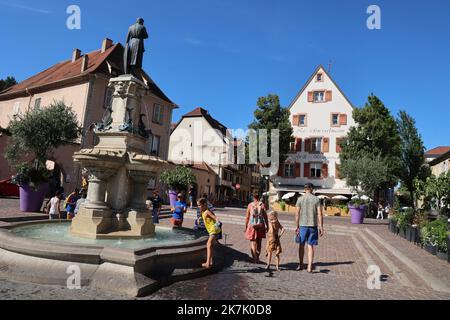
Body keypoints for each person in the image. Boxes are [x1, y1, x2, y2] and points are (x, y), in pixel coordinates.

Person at [295, 183, 324, 273]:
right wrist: (321, 227)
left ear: (305, 189)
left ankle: (300, 264)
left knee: (301, 245)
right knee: (310, 246)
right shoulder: (316, 199)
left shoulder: (300, 199)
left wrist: (297, 226)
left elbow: (297, 214)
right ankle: (309, 266)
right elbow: (320, 214)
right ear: (311, 189)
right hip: (313, 226)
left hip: (302, 225)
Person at [245, 193, 268, 264]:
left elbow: (247, 217)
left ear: (253, 197)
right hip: (260, 225)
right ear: (259, 197)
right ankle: (257, 258)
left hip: (252, 225)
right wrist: (267, 225)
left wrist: (246, 226)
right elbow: (265, 217)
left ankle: (254, 258)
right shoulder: (262, 205)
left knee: (253, 242)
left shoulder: (250, 205)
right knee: (259, 242)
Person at [198, 198, 221, 268]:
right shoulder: (203, 212)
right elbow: (203, 216)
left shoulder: (207, 211)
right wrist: (199, 219)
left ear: (204, 205)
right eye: (198, 205)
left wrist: (217, 222)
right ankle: (210, 261)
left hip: (213, 230)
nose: (198, 207)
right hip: (211, 231)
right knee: (210, 245)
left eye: (199, 205)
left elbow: (215, 218)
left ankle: (207, 263)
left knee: (208, 244)